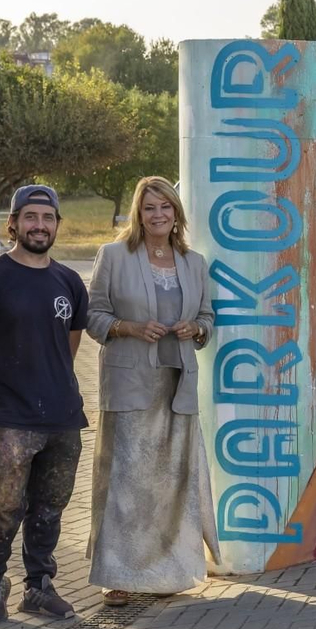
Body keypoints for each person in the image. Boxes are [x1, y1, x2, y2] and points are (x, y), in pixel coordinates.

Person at [85, 176, 219, 603]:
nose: (158, 215)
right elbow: (93, 317)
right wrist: (130, 327)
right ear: (138, 215)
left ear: (176, 212)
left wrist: (196, 328)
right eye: (149, 208)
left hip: (177, 386)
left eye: (165, 206)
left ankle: (166, 572)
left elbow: (208, 318)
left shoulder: (194, 262)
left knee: (171, 482)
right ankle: (118, 575)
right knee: (124, 481)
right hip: (129, 384)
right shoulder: (113, 256)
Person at [0, 184, 90, 622]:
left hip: (63, 416)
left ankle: (38, 587)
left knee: (50, 507)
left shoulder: (70, 282)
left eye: (48, 218)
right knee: (2, 504)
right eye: (31, 218)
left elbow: (68, 347)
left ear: (57, 224)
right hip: (11, 417)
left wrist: (52, 387)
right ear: (14, 223)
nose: (40, 225)